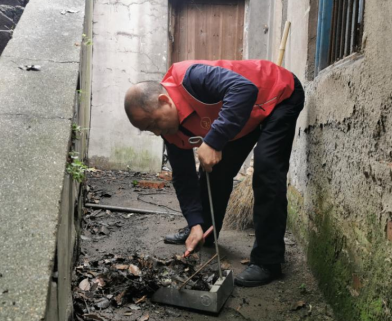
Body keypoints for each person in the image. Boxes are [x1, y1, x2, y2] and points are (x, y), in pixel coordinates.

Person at [124, 60, 304, 287]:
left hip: (278, 95)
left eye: (154, 123)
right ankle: (205, 232)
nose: (158, 132)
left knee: (267, 168)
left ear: (164, 100)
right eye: (150, 130)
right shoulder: (169, 129)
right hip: (245, 116)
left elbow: (244, 89)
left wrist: (213, 140)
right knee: (215, 170)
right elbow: (183, 177)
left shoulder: (191, 77)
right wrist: (194, 223)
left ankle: (268, 261)